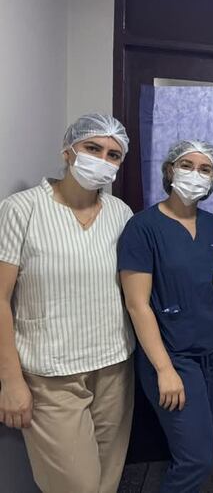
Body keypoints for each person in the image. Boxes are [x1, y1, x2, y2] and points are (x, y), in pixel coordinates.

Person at [0, 114, 135, 493]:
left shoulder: (121, 214)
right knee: (77, 486)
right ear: (67, 150)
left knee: (107, 481)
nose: (102, 160)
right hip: (51, 376)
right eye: (93, 148)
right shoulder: (21, 209)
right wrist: (10, 381)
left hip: (114, 368)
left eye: (113, 155)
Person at [118, 139, 213, 492]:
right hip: (171, 356)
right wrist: (165, 370)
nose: (195, 174)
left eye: (205, 169)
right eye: (187, 165)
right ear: (169, 170)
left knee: (200, 447)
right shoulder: (143, 227)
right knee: (197, 459)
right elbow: (137, 304)